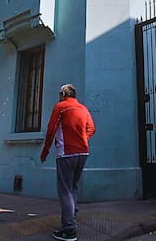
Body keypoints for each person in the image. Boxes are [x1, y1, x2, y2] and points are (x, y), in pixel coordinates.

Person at [40, 84, 96, 241]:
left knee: (65, 190)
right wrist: (83, 139)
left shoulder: (61, 107)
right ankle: (72, 215)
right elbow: (92, 129)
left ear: (64, 93)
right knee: (73, 187)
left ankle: (69, 229)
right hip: (83, 152)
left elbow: (51, 129)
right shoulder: (83, 108)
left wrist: (46, 150)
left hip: (66, 154)